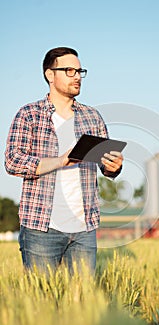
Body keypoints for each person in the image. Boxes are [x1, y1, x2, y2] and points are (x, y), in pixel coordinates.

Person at [5, 47, 123, 275]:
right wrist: (60, 161)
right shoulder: (29, 114)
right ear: (50, 75)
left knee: (81, 306)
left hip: (84, 229)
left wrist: (113, 167)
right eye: (70, 70)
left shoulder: (92, 116)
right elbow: (12, 161)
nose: (77, 76)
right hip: (41, 227)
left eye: (80, 71)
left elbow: (105, 167)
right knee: (41, 304)